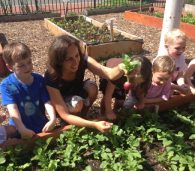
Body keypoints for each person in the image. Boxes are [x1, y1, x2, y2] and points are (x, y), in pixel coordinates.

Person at [44, 35, 126, 132]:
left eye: (77, 55)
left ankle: (83, 115)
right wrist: (94, 124)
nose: (75, 62)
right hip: (61, 103)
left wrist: (122, 67)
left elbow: (109, 73)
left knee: (92, 87)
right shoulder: (52, 75)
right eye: (69, 59)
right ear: (59, 61)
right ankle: (70, 123)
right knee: (76, 103)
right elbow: (65, 115)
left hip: (76, 92)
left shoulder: (83, 61)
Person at [0, 42, 56, 139]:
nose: (28, 67)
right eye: (21, 65)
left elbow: (47, 101)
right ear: (10, 67)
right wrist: (21, 129)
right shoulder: (7, 85)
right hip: (18, 128)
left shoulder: (39, 80)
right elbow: (13, 109)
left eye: (29, 62)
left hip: (41, 125)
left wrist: (53, 118)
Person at [100, 55, 152, 120]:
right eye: (134, 81)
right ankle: (102, 114)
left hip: (123, 80)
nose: (135, 84)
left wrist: (141, 102)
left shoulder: (144, 78)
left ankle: (116, 114)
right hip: (109, 77)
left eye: (137, 83)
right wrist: (109, 112)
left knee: (120, 101)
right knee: (106, 97)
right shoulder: (117, 74)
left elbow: (142, 89)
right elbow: (108, 95)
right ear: (131, 72)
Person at [158, 29, 190, 94]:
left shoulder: (181, 57)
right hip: (160, 83)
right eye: (177, 48)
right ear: (167, 47)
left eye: (183, 47)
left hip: (172, 82)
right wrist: (177, 88)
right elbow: (161, 80)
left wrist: (182, 84)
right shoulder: (163, 59)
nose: (181, 51)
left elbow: (180, 75)